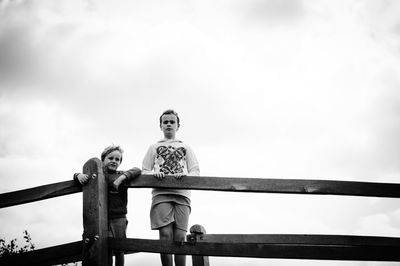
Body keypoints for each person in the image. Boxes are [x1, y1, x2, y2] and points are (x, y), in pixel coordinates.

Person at [142, 109, 200, 266]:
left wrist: (186, 177)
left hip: (182, 195)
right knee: (165, 235)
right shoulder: (154, 147)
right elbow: (145, 170)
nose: (168, 124)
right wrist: (154, 174)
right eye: (165, 122)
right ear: (160, 126)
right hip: (161, 194)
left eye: (172, 122)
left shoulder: (186, 147)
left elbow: (195, 170)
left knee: (180, 238)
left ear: (178, 126)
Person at [74, 145, 141, 266]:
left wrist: (121, 178)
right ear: (103, 159)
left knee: (119, 248)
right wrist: (78, 175)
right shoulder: (96, 175)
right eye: (111, 158)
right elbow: (77, 176)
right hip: (99, 219)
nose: (114, 161)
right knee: (105, 247)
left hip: (119, 218)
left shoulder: (121, 174)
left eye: (117, 159)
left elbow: (137, 170)